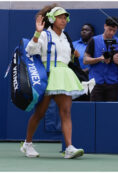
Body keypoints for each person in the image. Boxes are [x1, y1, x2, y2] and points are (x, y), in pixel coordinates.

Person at [21, 4, 85, 159]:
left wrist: (73, 55)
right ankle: (27, 143)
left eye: (65, 18)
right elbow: (30, 50)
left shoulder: (65, 37)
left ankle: (69, 147)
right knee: (40, 113)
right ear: (52, 19)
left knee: (66, 112)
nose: (63, 20)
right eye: (60, 17)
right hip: (47, 76)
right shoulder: (43, 34)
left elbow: (66, 58)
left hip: (64, 76)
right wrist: (37, 32)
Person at [83, 17, 118, 101]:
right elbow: (85, 60)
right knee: (95, 110)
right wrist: (100, 58)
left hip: (112, 82)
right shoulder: (94, 40)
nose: (111, 33)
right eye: (110, 29)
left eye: (114, 31)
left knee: (111, 110)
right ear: (105, 26)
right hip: (96, 82)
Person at [72, 24, 95, 101]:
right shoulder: (74, 44)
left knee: (88, 100)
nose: (84, 31)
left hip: (90, 78)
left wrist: (87, 70)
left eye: (86, 30)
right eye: (82, 30)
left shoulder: (95, 44)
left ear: (92, 33)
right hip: (76, 78)